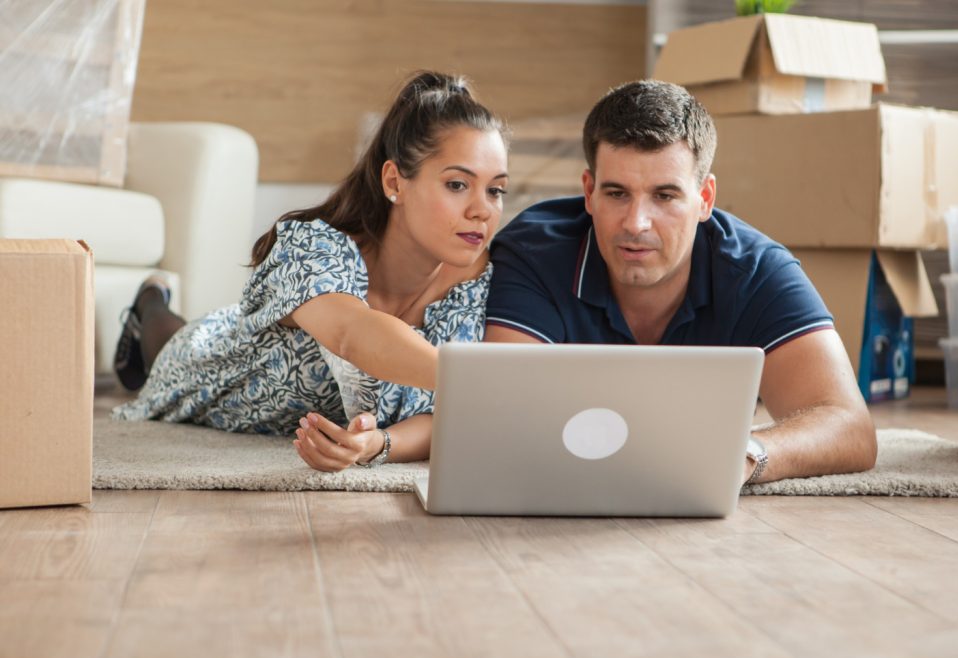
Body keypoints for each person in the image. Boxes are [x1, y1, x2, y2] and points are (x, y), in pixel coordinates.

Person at [112, 71, 509, 473]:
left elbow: (447, 415)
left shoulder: (477, 281)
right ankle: (150, 300)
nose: (482, 210)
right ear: (395, 182)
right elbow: (352, 335)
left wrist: (378, 444)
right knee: (166, 343)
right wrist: (478, 381)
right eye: (458, 184)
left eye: (495, 190)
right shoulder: (314, 246)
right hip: (213, 366)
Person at [484, 80, 877, 485]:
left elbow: (850, 427)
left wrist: (745, 455)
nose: (636, 223)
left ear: (705, 198)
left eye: (665, 196)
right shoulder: (533, 255)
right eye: (617, 193)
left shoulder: (757, 270)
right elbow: (501, 411)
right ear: (588, 191)